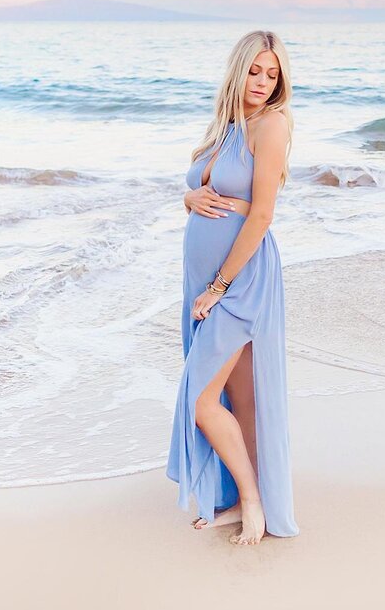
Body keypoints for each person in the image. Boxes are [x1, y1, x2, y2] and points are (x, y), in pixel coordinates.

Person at [165, 30, 299, 545]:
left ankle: (253, 502)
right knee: (236, 395)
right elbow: (205, 188)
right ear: (237, 70)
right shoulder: (226, 125)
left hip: (237, 281)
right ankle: (232, 501)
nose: (263, 82)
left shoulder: (271, 126)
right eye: (255, 71)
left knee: (200, 401)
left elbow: (261, 213)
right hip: (202, 279)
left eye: (273, 73)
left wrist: (219, 285)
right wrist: (189, 200)